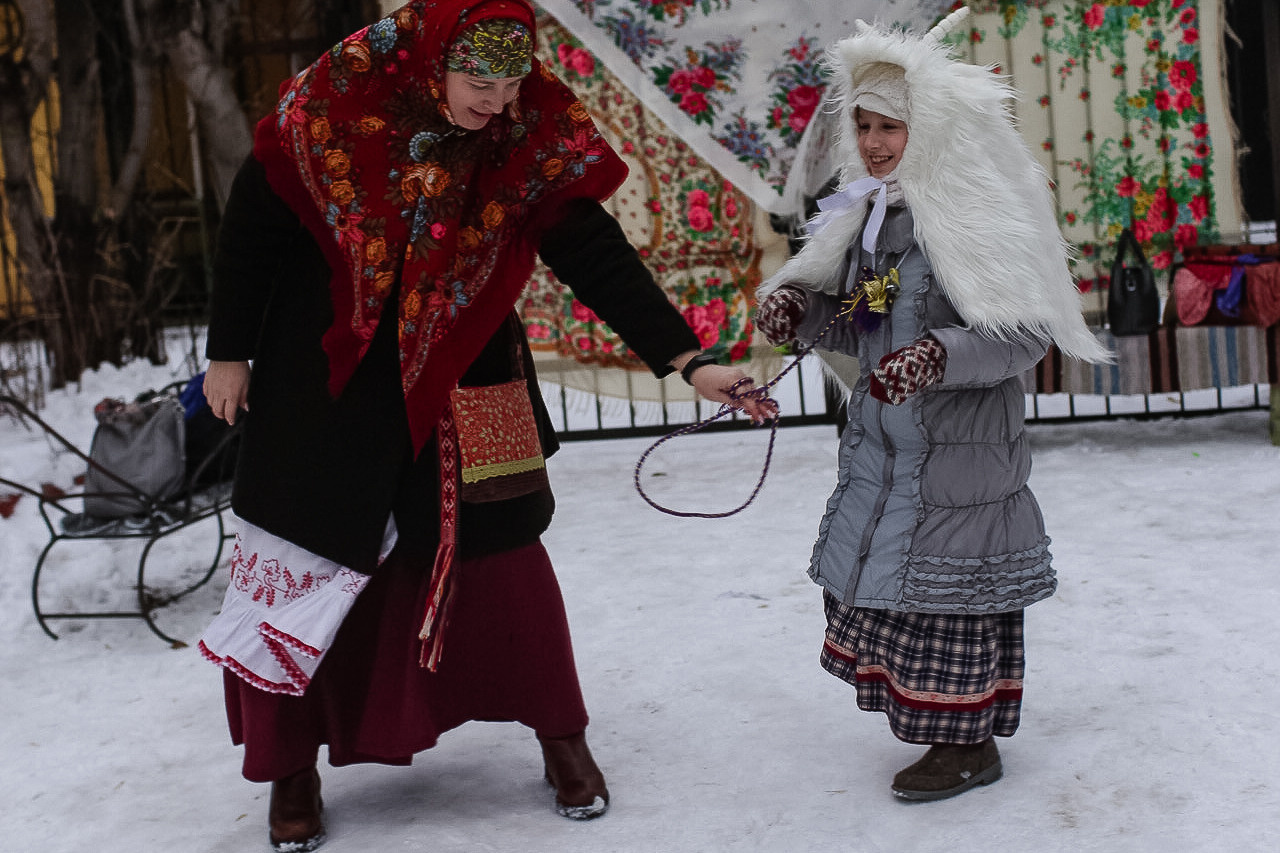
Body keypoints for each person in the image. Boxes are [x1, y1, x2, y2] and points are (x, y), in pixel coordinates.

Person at [196, 2, 773, 849]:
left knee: (504, 560)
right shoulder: (332, 104)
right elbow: (253, 223)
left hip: (475, 376)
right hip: (324, 377)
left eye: (511, 84)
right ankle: (290, 768)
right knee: (306, 552)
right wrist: (229, 350)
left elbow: (592, 248)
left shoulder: (523, 130)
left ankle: (561, 736)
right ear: (432, 64)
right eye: (480, 83)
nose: (498, 104)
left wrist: (687, 360)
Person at [753, 7, 1109, 802]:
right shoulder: (870, 218)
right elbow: (861, 318)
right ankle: (942, 728)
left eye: (894, 127)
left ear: (935, 130)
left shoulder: (975, 216)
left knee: (947, 604)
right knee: (903, 595)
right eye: (868, 126)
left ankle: (968, 743)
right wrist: (801, 313)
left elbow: (1023, 338)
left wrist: (938, 355)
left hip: (961, 459)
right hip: (889, 449)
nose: (877, 142)